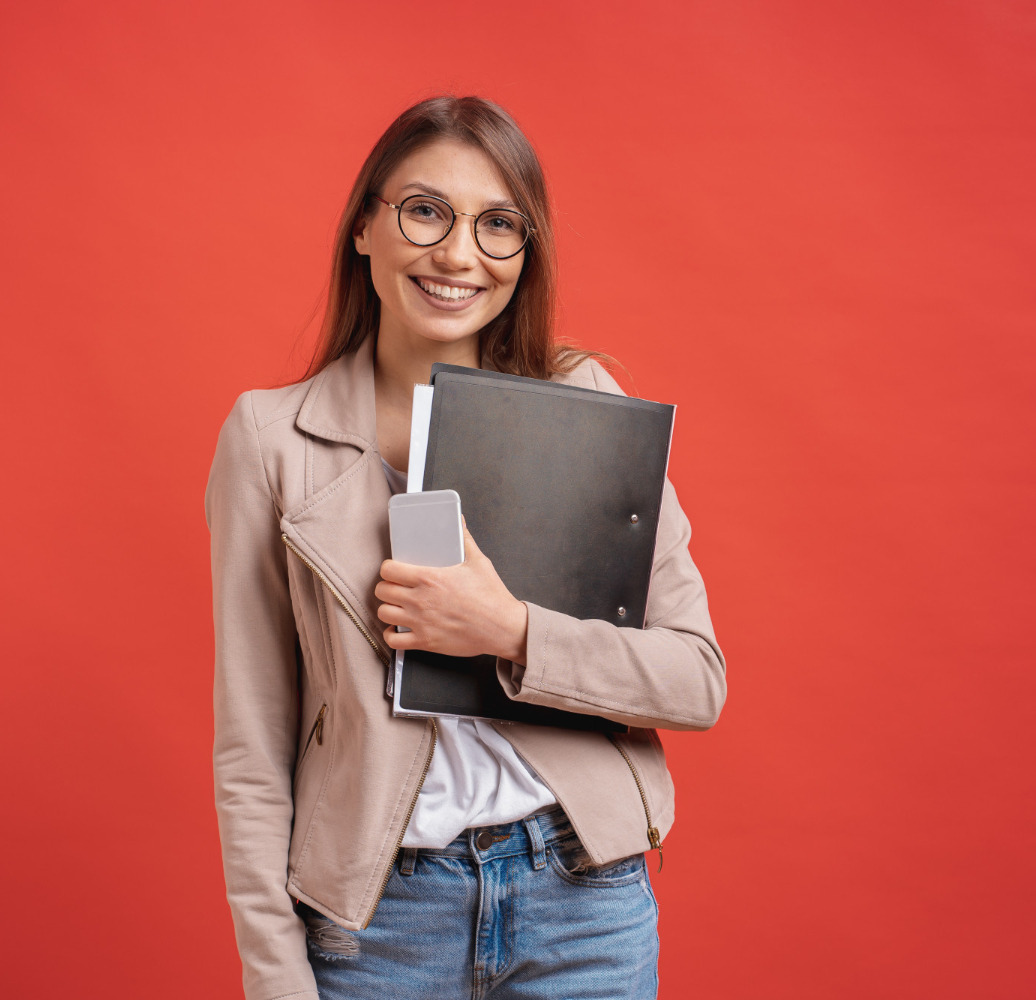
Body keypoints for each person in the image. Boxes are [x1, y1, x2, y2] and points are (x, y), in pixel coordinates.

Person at [205, 96, 726, 1000]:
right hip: (380, 923)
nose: (458, 255)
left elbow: (695, 680)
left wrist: (512, 630)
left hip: (583, 901)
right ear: (365, 226)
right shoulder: (269, 440)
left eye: (498, 226)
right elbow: (252, 753)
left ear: (526, 256)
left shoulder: (583, 403)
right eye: (425, 211)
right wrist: (276, 983)